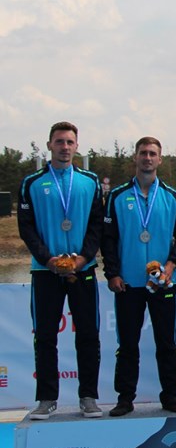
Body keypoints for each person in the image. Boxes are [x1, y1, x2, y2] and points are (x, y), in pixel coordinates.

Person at [18, 121, 104, 419]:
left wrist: (83, 258)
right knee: (45, 336)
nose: (65, 147)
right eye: (59, 142)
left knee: (88, 335)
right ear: (49, 145)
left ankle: (88, 396)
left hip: (83, 270)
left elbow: (97, 225)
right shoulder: (32, 182)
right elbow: (26, 228)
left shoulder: (90, 181)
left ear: (76, 146)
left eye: (69, 142)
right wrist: (48, 260)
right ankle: (46, 399)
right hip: (46, 271)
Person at [102, 137, 176, 416]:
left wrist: (172, 265)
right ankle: (125, 398)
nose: (148, 158)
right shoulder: (117, 196)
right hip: (128, 283)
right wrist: (112, 273)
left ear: (160, 159)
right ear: (135, 157)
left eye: (153, 153)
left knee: (167, 342)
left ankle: (170, 396)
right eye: (143, 153)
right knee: (128, 344)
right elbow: (108, 239)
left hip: (163, 282)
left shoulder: (172, 197)